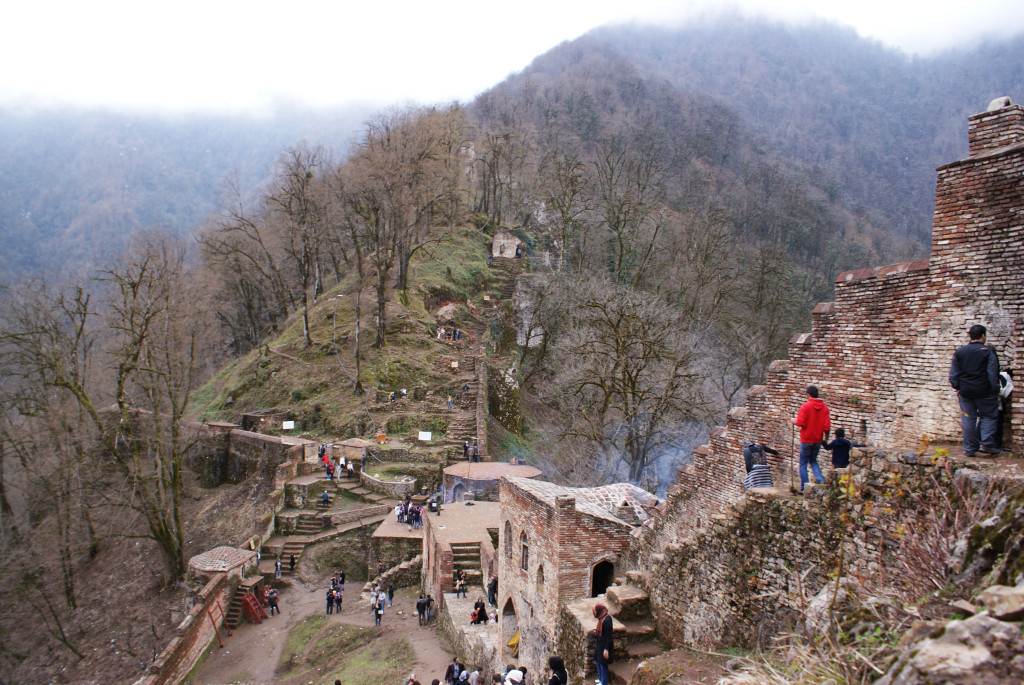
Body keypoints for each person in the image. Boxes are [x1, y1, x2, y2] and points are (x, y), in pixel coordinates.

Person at [950, 324, 1002, 456]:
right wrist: (995, 388)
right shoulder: (988, 351)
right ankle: (987, 445)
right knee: (989, 415)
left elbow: (953, 374)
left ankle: (969, 448)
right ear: (983, 335)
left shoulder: (960, 351)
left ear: (970, 336)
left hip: (965, 391)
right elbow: (992, 372)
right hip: (984, 390)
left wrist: (958, 387)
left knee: (968, 419)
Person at [793, 385, 830, 492]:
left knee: (803, 463)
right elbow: (827, 427)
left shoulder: (805, 406)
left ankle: (804, 486)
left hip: (806, 439)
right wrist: (825, 439)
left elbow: (800, 423)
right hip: (818, 439)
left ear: (808, 395)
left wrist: (793, 420)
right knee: (813, 460)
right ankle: (820, 479)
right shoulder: (825, 408)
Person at [592, 603, 613, 685]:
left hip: (604, 645)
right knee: (596, 659)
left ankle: (604, 682)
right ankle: (601, 678)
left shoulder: (607, 621)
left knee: (603, 663)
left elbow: (609, 636)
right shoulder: (602, 618)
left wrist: (606, 649)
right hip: (600, 643)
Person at [996, 369, 1014, 449]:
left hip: (990, 404)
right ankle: (995, 445)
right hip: (994, 404)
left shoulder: (1002, 375)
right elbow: (1006, 392)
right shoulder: (1004, 377)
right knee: (996, 424)